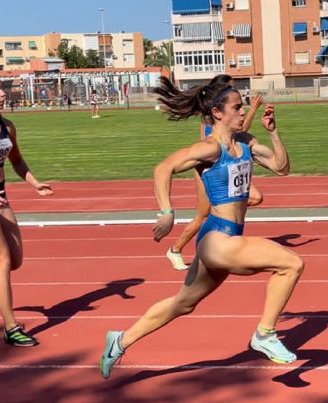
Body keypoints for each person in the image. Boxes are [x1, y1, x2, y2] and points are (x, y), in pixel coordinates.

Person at [99, 77, 304, 379]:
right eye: (237, 106)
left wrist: (273, 134)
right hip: (216, 237)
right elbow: (163, 168)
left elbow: (281, 167)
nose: (242, 109)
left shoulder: (246, 143)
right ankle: (265, 334)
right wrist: (167, 212)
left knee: (182, 303)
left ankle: (119, 340)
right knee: (291, 264)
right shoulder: (210, 148)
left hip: (230, 238)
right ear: (218, 113)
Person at [0, 72, 53, 346]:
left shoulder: (8, 127)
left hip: (0, 196)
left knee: (15, 260)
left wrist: (35, 184)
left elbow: (18, 161)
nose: (3, 94)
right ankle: (11, 328)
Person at [166, 75, 264, 271]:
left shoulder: (222, 113)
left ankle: (215, 232)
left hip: (227, 167)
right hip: (212, 169)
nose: (233, 92)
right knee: (203, 216)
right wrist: (253, 109)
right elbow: (241, 128)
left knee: (255, 197)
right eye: (230, 88)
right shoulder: (212, 115)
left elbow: (239, 131)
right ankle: (176, 249)